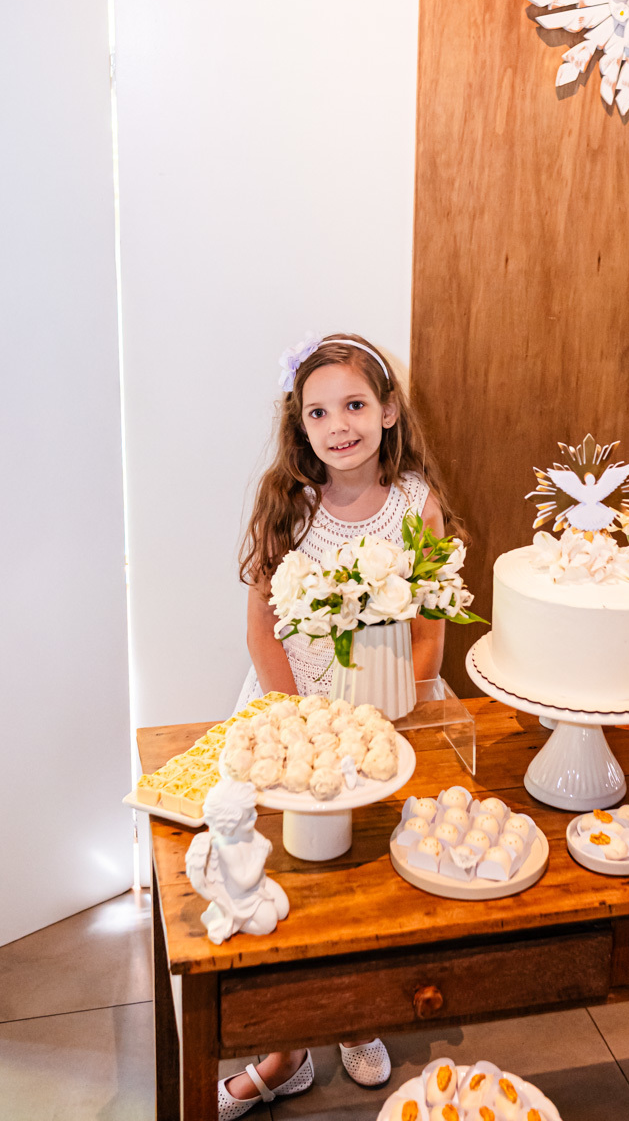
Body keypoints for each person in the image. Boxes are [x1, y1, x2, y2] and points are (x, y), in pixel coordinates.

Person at [217, 332, 462, 1118]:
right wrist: (298, 720)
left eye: (354, 405)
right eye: (318, 412)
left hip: (385, 715)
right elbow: (263, 630)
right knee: (293, 877)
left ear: (387, 411)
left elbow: (426, 627)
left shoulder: (415, 504)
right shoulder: (287, 504)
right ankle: (285, 1051)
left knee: (363, 878)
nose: (338, 425)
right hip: (294, 713)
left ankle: (354, 1016)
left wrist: (396, 713)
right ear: (301, 423)